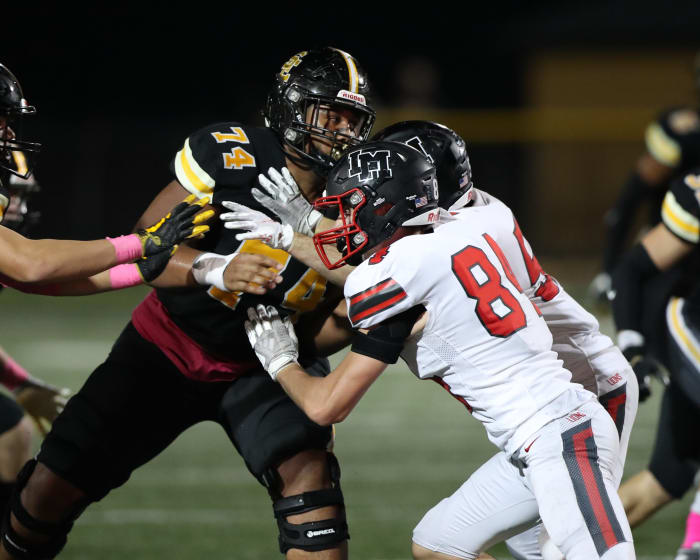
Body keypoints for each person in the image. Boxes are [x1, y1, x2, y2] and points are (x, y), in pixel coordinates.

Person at [0, 47, 376, 560]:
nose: (340, 131)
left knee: (312, 492)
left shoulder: (360, 194)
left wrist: (311, 335)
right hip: (167, 347)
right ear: (291, 108)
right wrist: (216, 269)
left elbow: (331, 320)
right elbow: (151, 243)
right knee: (47, 492)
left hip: (264, 364)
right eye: (328, 114)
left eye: (352, 119)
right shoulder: (231, 153)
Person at [226, 120, 638, 559]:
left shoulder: (396, 274)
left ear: (383, 207)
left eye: (349, 208)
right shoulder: (471, 223)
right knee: (439, 543)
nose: (340, 220)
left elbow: (329, 395)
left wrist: (280, 358)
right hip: (540, 434)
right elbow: (394, 270)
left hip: (564, 429)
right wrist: (295, 236)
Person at [611, 167, 700, 560]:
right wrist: (633, 344)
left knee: (667, 477)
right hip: (691, 328)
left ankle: (560, 547)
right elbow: (634, 269)